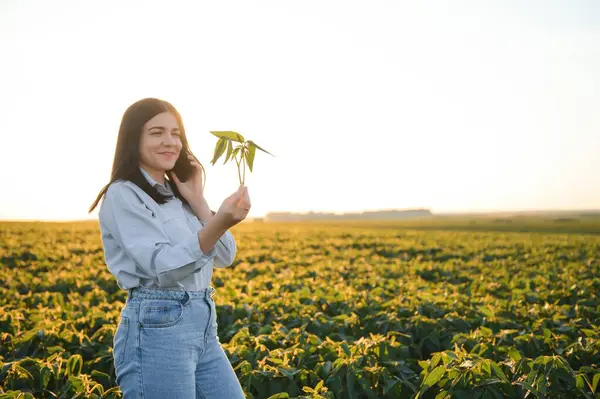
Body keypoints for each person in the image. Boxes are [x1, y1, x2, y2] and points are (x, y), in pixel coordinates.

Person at [89, 97, 250, 398]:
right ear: (133, 138)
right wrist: (219, 222)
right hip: (158, 327)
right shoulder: (123, 194)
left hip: (203, 326)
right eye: (157, 132)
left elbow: (226, 255)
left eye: (176, 133)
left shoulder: (180, 197)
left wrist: (200, 201)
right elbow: (163, 267)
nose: (170, 142)